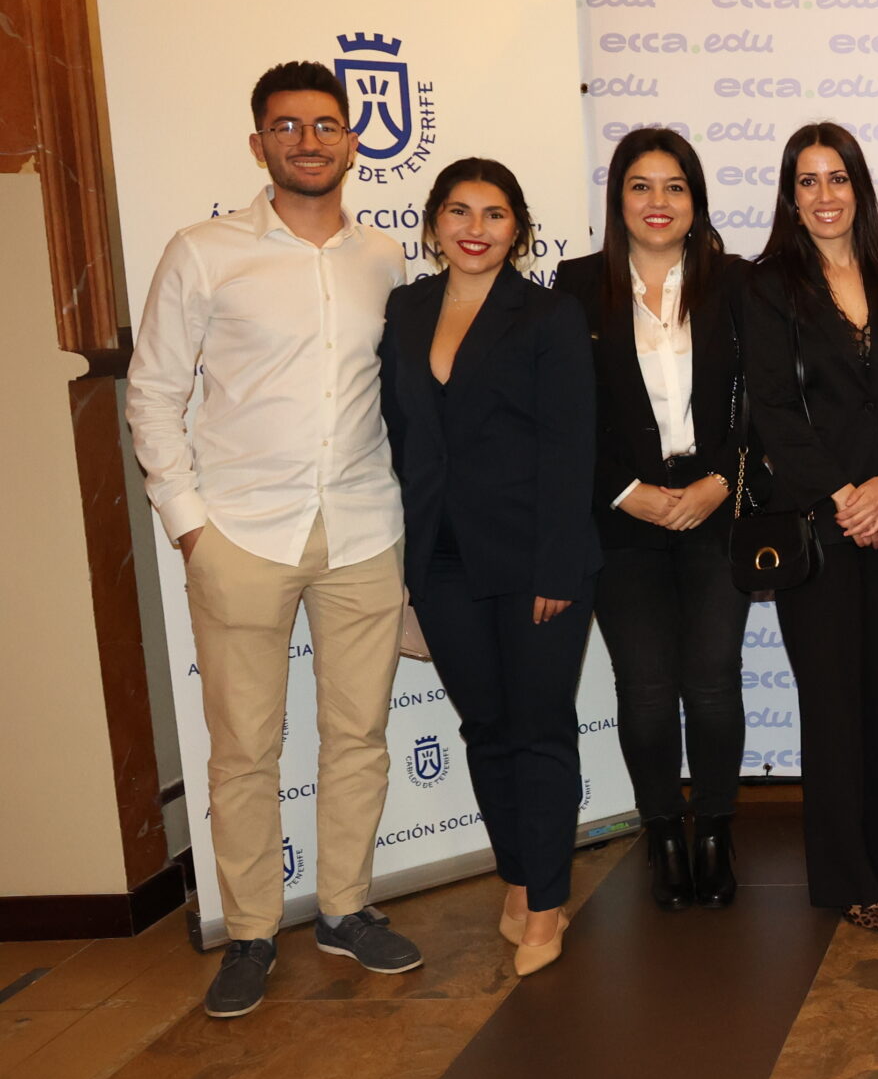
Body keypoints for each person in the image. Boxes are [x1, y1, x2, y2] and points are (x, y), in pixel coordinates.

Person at [128, 62, 424, 1019]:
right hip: (241, 535)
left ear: (353, 141)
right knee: (245, 747)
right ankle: (252, 930)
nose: (308, 141)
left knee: (358, 734)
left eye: (325, 124)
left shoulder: (384, 257)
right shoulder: (203, 251)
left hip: (364, 527)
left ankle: (344, 908)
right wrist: (190, 527)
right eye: (287, 127)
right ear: (258, 144)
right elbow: (153, 393)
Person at [380, 159, 601, 976]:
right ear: (434, 222)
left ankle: (547, 903)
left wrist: (558, 568)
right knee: (485, 727)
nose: (476, 228)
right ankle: (518, 874)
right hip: (439, 559)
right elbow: (400, 434)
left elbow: (572, 446)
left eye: (495, 213)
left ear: (519, 229)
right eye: (460, 211)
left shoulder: (548, 314)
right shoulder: (405, 309)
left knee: (539, 728)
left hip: (535, 557)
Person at [556, 128, 749, 914]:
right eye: (641, 186)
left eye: (675, 186)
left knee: (713, 681)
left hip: (714, 503)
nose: (658, 202)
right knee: (643, 686)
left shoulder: (736, 283)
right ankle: (664, 832)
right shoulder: (576, 287)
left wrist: (721, 482)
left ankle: (717, 832)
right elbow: (565, 413)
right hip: (623, 514)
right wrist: (621, 490)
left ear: (696, 200)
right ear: (618, 200)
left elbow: (763, 400)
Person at [742, 123, 878, 932]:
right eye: (808, 180)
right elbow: (774, 412)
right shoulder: (766, 285)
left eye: (838, 177)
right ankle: (845, 876)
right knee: (831, 702)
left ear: (860, 186)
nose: (825, 195)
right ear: (791, 196)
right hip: (817, 525)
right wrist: (849, 498)